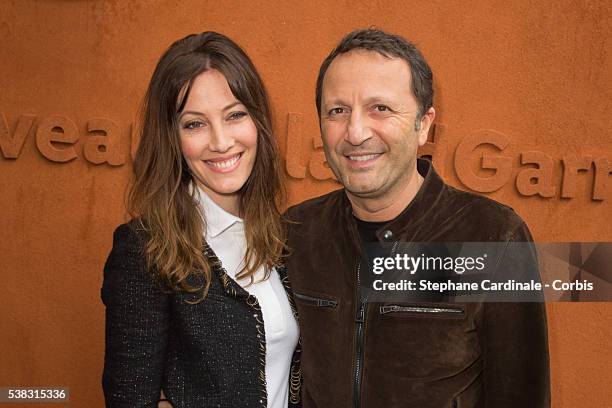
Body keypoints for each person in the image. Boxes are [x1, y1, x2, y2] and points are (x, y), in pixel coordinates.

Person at [285, 29, 550, 407]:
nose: (356, 132)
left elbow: (523, 394)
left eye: (381, 108)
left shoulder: (493, 237)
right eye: (337, 111)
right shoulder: (296, 233)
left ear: (423, 124)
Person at [101, 31, 301, 408]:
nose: (221, 141)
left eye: (235, 115)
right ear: (171, 137)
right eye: (195, 124)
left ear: (257, 121)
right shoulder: (144, 249)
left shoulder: (281, 236)